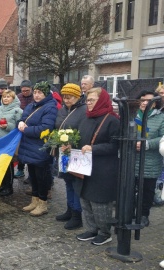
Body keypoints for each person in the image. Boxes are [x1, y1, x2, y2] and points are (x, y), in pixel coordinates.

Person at [75, 87, 119, 246]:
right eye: (87, 100)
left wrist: (94, 149)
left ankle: (105, 232)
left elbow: (115, 146)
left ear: (101, 100)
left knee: (100, 203)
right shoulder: (86, 118)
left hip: (103, 169)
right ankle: (92, 229)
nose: (88, 103)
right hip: (85, 166)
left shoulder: (112, 120)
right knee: (85, 199)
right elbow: (79, 138)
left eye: (92, 100)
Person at [17, 81, 57, 217]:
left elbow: (46, 128)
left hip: (41, 148)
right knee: (33, 175)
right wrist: (20, 123)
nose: (37, 95)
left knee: (42, 177)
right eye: (35, 92)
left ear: (45, 93)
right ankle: (34, 200)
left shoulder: (50, 107)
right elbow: (23, 119)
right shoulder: (30, 106)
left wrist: (26, 130)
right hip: (29, 146)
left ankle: (42, 203)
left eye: (40, 92)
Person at [54, 83, 87, 230]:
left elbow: (84, 131)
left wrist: (73, 143)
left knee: (75, 183)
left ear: (78, 96)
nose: (66, 100)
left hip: (76, 152)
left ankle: (77, 215)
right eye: (65, 97)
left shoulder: (83, 110)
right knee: (67, 181)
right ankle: (69, 209)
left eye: (70, 97)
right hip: (63, 151)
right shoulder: (63, 109)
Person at [133, 89, 164, 227]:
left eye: (149, 100)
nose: (145, 103)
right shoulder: (132, 115)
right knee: (129, 188)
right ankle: (130, 213)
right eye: (142, 99)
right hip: (132, 159)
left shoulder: (160, 118)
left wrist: (147, 144)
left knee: (147, 190)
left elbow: (162, 138)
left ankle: (144, 215)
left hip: (150, 161)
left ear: (155, 103)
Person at [0, 90, 22, 196]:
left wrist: (7, 126)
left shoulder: (17, 111)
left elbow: (19, 127)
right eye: (4, 97)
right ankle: (1, 184)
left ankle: (9, 187)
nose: (6, 98)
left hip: (7, 141)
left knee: (7, 165)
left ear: (13, 98)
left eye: (8, 97)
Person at [14, 80, 34, 178]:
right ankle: (20, 169)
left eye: (27, 90)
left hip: (31, 125)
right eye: (23, 90)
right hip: (20, 124)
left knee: (31, 150)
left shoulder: (35, 97)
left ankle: (31, 174)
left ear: (31, 89)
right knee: (21, 149)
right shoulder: (18, 97)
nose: (25, 92)